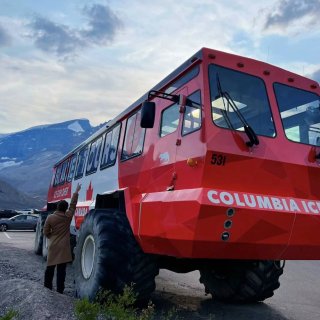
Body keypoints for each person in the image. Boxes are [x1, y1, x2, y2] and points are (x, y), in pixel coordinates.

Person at [43, 183, 81, 294]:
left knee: (50, 268)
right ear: (65, 209)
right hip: (64, 246)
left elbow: (45, 232)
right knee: (61, 270)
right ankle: (60, 290)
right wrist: (76, 192)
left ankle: (47, 288)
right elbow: (73, 205)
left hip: (53, 245)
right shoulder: (68, 217)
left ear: (57, 207)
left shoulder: (50, 217)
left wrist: (51, 237)